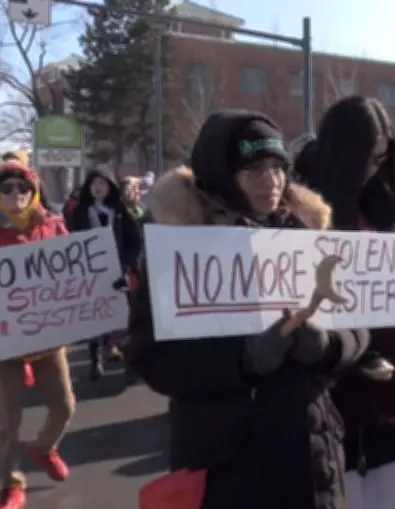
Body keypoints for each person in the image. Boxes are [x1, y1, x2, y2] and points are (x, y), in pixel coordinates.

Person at [128, 109, 370, 509]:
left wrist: (328, 346)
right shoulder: (179, 249)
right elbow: (151, 358)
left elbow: (361, 325)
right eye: (254, 169)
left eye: (278, 167)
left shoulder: (307, 234)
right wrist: (242, 360)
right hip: (229, 468)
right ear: (221, 172)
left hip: (312, 458)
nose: (271, 181)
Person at [308, 95, 395, 509]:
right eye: (368, 157)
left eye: (382, 158)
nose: (374, 169)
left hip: (390, 385)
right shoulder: (300, 209)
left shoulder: (382, 207)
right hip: (328, 386)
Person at [0, 160, 75, 509]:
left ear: (34, 191)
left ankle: (43, 447)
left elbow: (79, 275)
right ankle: (11, 485)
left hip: (47, 340)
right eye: (7, 189)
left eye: (22, 188)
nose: (15, 195)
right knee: (8, 420)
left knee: (64, 406)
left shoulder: (54, 227)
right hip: (4, 343)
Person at [67, 169, 142, 380]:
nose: (98, 187)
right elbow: (69, 242)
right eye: (94, 183)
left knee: (124, 320)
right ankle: (95, 362)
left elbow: (134, 242)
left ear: (110, 187)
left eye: (103, 183)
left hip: (118, 273)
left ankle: (129, 366)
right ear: (89, 188)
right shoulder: (80, 213)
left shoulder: (119, 213)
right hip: (90, 275)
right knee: (94, 320)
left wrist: (127, 265)